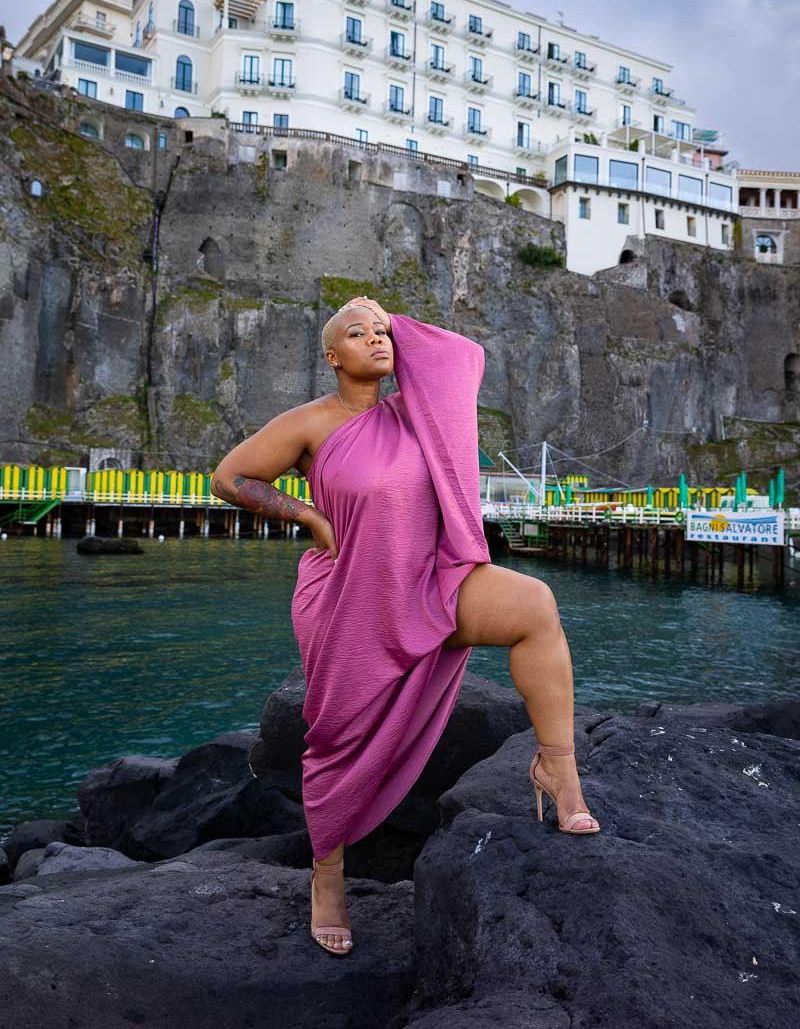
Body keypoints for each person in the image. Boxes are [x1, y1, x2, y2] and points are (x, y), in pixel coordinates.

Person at [210, 296, 599, 957]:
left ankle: (558, 771)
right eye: (357, 333)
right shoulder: (311, 423)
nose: (375, 339)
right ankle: (327, 877)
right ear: (332, 356)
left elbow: (463, 357)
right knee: (335, 737)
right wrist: (309, 516)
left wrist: (395, 319)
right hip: (347, 599)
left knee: (536, 607)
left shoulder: (421, 411)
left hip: (430, 582)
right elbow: (228, 477)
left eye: (382, 331)